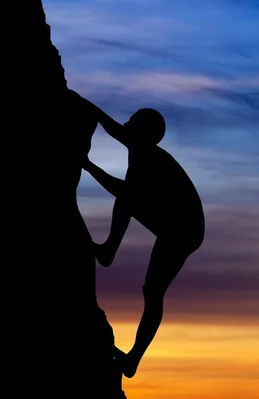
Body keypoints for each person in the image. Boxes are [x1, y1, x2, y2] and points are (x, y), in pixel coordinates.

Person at [77, 94, 205, 379]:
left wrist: (87, 165)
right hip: (172, 219)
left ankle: (133, 358)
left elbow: (122, 191)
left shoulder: (149, 158)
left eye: (132, 122)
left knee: (153, 291)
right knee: (128, 197)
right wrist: (82, 102)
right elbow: (110, 126)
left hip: (184, 230)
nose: (126, 123)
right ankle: (109, 250)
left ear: (142, 132)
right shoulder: (138, 144)